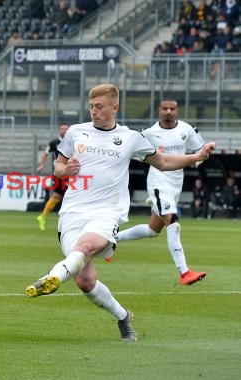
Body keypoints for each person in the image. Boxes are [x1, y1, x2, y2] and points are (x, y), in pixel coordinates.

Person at [24, 84, 215, 342]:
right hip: (72, 212)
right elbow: (58, 166)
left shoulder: (131, 138)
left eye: (99, 107)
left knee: (87, 245)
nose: (94, 112)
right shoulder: (75, 132)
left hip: (106, 212)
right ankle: (123, 316)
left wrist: (196, 157)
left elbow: (165, 162)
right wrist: (64, 169)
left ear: (114, 107)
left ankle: (53, 277)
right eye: (91, 107)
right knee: (85, 281)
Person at [116, 99, 207, 286]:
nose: (168, 111)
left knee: (153, 230)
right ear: (159, 111)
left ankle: (111, 239)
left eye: (172, 108)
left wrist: (196, 160)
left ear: (177, 110)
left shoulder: (186, 130)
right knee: (173, 222)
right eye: (164, 108)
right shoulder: (149, 133)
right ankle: (184, 272)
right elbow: (129, 148)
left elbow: (200, 151)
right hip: (158, 183)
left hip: (175, 185)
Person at [35, 123, 69, 231]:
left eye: (66, 129)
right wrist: (41, 165)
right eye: (62, 129)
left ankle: (43, 217)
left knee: (59, 196)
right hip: (59, 174)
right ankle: (43, 217)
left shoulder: (72, 142)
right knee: (58, 196)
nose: (64, 131)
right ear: (59, 130)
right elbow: (45, 153)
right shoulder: (54, 143)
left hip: (71, 173)